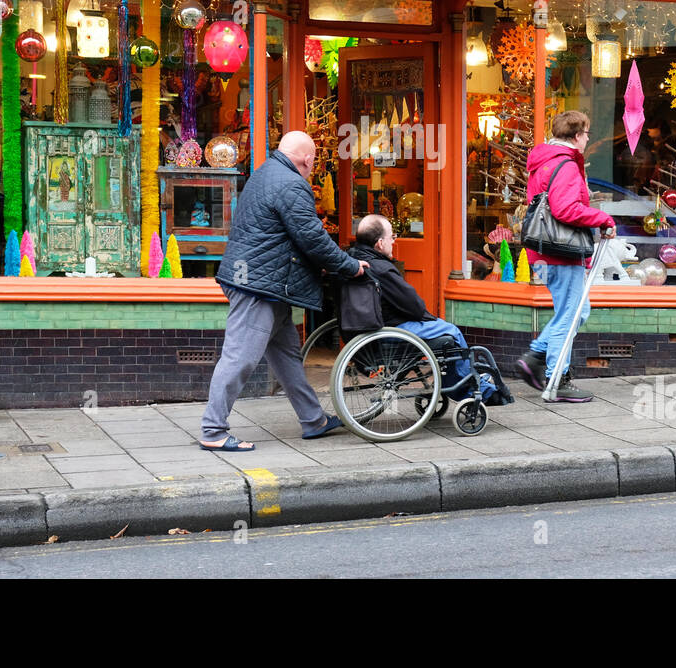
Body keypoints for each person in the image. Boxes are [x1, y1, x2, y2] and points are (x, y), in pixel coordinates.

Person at [200, 131, 369, 452]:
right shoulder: (292, 184)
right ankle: (212, 430)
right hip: (257, 286)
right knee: (240, 358)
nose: (313, 166)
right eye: (314, 160)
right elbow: (313, 240)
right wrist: (351, 266)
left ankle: (313, 420)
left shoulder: (266, 172)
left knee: (287, 355)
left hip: (266, 283)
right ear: (308, 159)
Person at [347, 214, 511, 404]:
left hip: (372, 329)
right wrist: (428, 318)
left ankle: (464, 383)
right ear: (379, 243)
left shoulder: (353, 261)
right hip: (391, 330)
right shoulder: (382, 269)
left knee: (444, 329)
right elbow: (415, 306)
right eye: (392, 237)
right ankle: (472, 388)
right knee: (452, 332)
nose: (395, 240)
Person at [518, 110, 616, 403]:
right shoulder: (567, 165)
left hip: (542, 253)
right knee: (570, 316)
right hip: (562, 253)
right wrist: (602, 218)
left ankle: (536, 357)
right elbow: (565, 209)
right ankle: (556, 380)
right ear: (576, 136)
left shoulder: (543, 162)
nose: (588, 138)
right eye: (586, 133)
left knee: (576, 311)